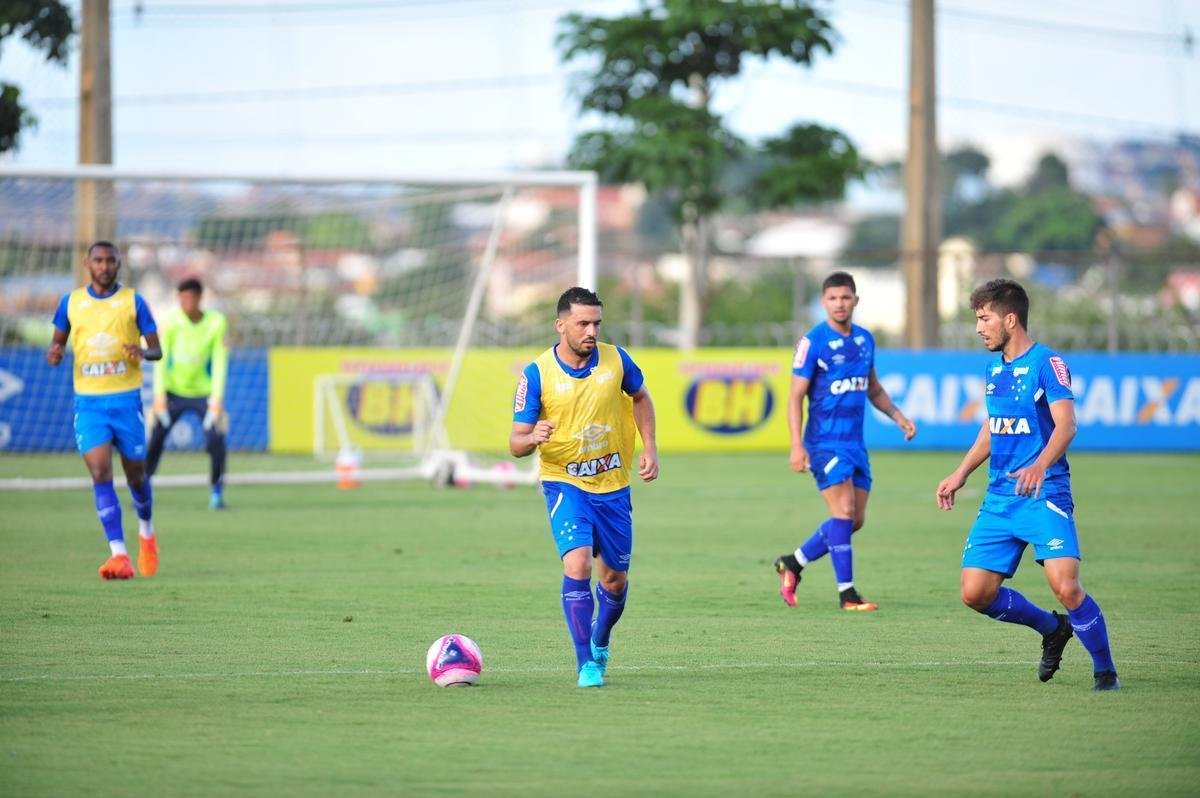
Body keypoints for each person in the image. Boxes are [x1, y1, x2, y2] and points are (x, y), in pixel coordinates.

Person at [935, 279, 1119, 691]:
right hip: (1000, 497)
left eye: (984, 319)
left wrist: (1038, 466)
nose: (979, 328)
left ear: (1010, 318)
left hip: (1044, 492)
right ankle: (1052, 630)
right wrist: (961, 472)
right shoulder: (993, 367)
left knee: (1066, 586)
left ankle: (1105, 672)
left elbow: (1067, 425)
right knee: (975, 592)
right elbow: (992, 427)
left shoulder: (1047, 364)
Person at [510, 287, 659, 688]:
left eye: (596, 322)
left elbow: (641, 397)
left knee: (614, 581)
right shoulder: (537, 374)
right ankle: (585, 664)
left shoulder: (617, 359)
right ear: (561, 325)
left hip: (613, 486)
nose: (591, 330)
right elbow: (515, 443)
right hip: (564, 483)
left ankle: (600, 638)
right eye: (582, 323)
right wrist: (532, 436)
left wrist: (650, 448)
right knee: (576, 564)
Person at [773, 271, 917, 611]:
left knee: (854, 521)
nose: (840, 303)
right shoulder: (813, 342)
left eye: (845, 297)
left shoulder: (866, 340)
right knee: (844, 511)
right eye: (833, 298)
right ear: (824, 302)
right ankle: (847, 594)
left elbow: (873, 388)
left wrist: (898, 417)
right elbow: (795, 397)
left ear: (855, 300)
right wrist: (797, 445)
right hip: (824, 443)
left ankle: (793, 563)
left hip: (855, 445)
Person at [47, 241, 162, 580]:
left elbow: (157, 350)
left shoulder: (133, 302)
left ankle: (146, 532)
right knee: (100, 472)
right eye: (99, 260)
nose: (105, 265)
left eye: (111, 260)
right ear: (88, 264)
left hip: (126, 401)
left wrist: (141, 351)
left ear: (118, 264)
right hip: (90, 403)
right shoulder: (71, 303)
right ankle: (119, 555)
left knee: (136, 477)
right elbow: (58, 341)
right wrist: (55, 351)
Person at [145, 278, 230, 510]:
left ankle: (216, 492)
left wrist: (217, 399)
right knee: (156, 438)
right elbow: (161, 360)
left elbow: (220, 361)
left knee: (216, 440)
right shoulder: (170, 321)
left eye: (189, 298)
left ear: (200, 299)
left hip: (204, 392)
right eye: (181, 298)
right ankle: (142, 489)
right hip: (173, 392)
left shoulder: (216, 322)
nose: (185, 303)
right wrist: (159, 396)